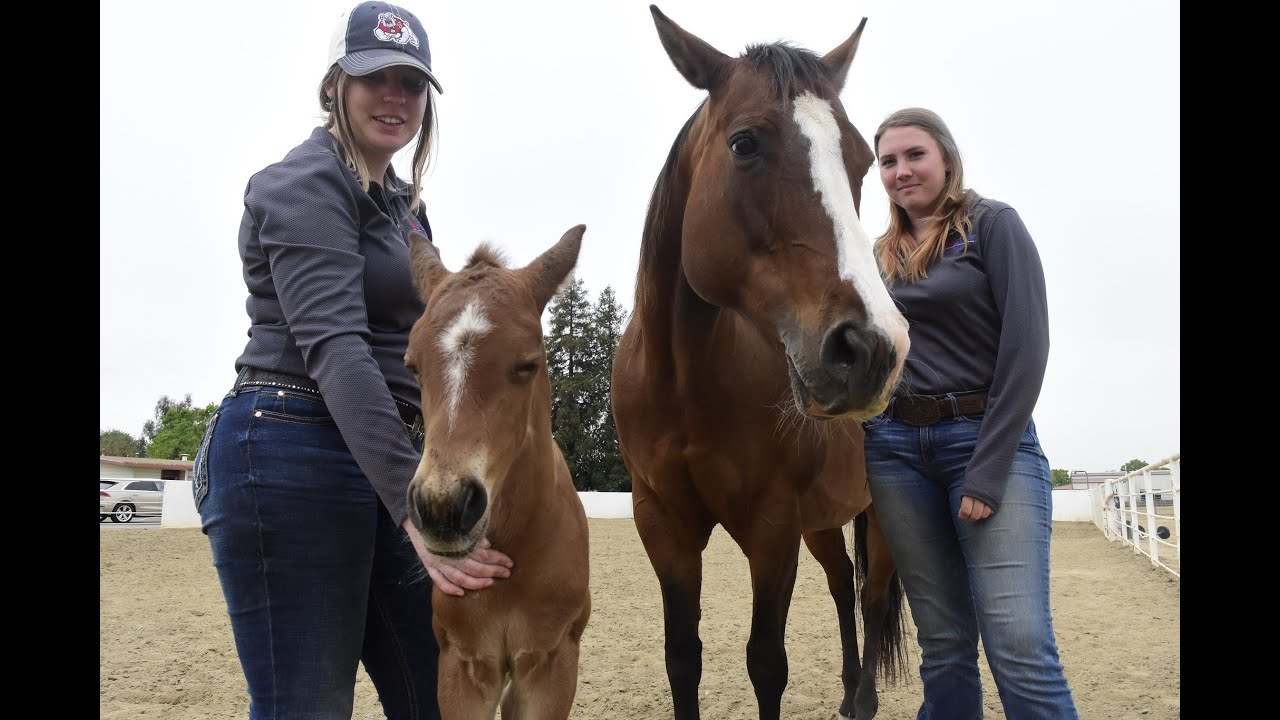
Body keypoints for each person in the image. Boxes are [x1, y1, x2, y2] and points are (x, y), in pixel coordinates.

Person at [190, 3, 512, 717]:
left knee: (440, 694)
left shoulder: (407, 211)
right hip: (288, 442)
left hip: (382, 450)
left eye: (412, 84)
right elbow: (336, 349)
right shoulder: (300, 184)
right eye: (376, 78)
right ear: (336, 83)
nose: (395, 98)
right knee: (307, 704)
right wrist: (416, 509)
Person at [861, 107, 1080, 719]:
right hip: (895, 452)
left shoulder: (991, 226)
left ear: (948, 159)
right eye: (888, 161)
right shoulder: (877, 253)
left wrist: (986, 470)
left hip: (985, 442)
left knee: (1019, 648)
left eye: (915, 155)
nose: (901, 171)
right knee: (945, 646)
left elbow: (1026, 348)